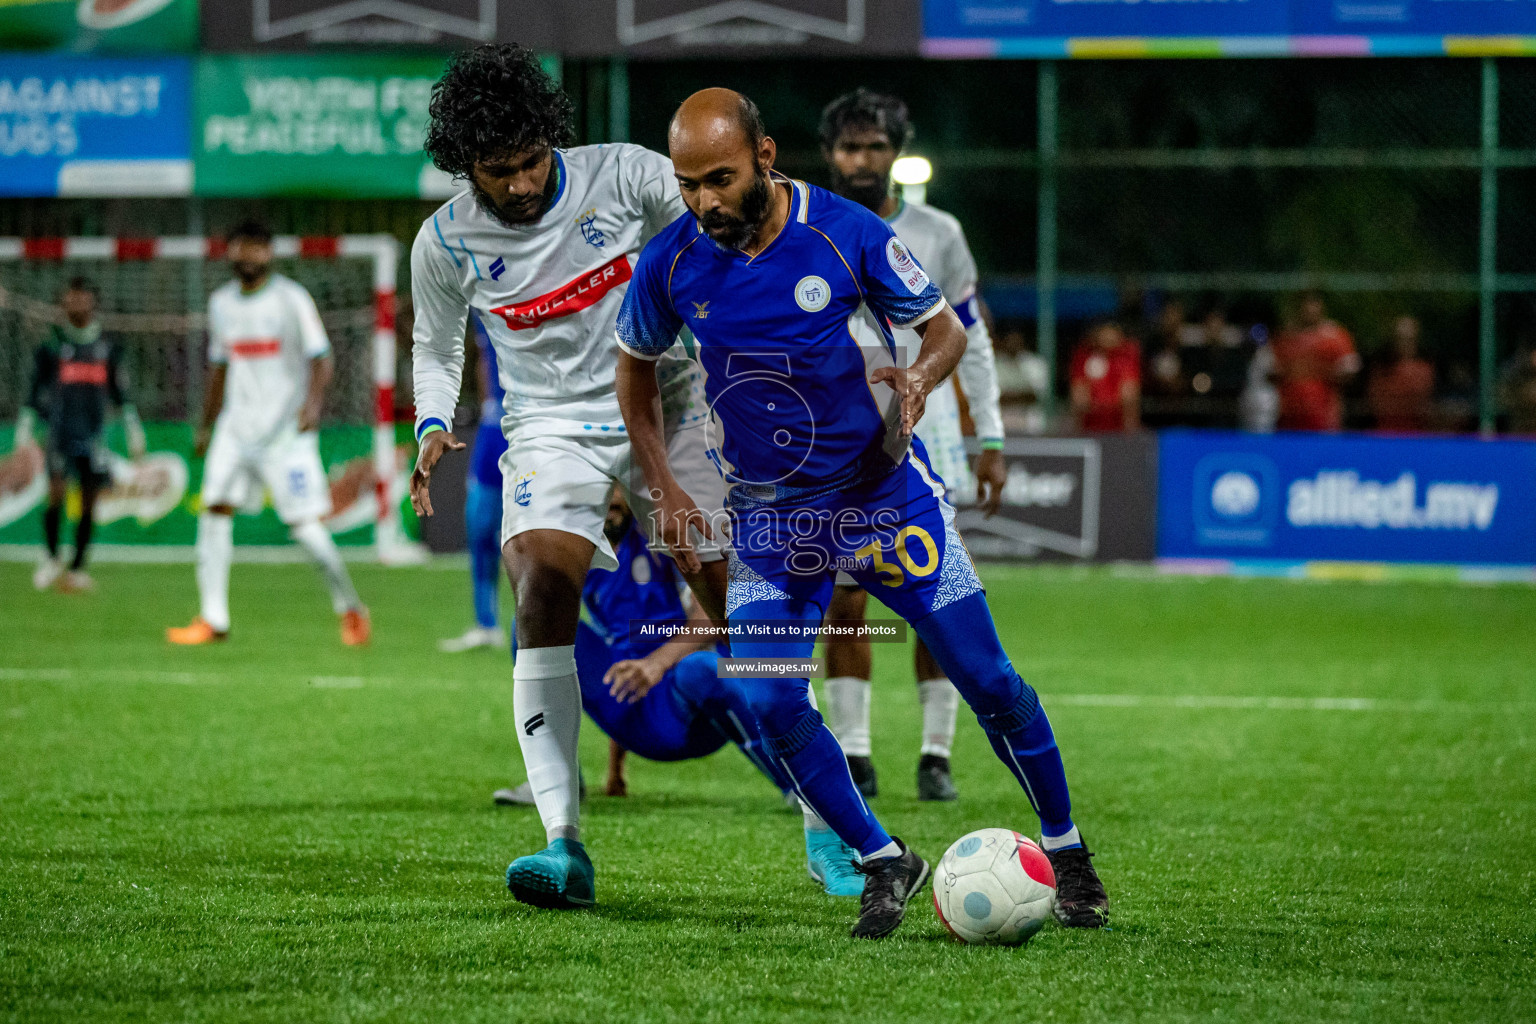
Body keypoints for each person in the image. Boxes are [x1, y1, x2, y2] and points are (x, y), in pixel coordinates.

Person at [616, 88, 1109, 939]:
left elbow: (946, 330)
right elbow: (633, 370)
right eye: (689, 184)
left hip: (882, 497)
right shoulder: (668, 263)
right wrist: (664, 486)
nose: (704, 202)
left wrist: (918, 382)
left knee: (988, 678)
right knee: (770, 701)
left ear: (765, 158)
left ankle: (1067, 854)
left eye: (721, 180)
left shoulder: (846, 232)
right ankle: (885, 860)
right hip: (770, 522)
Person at [405, 44, 728, 911]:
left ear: (553, 138)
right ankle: (563, 844)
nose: (515, 186)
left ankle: (825, 822)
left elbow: (720, 243)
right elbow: (435, 347)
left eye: (527, 163)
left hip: (671, 399)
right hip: (550, 428)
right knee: (543, 583)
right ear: (461, 165)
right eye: (492, 172)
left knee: (740, 604)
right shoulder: (442, 242)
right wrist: (432, 421)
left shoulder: (625, 177)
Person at [497, 491, 865, 897]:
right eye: (604, 491)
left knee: (701, 668)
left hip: (691, 702)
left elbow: (712, 614)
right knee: (532, 619)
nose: (613, 499)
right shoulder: (585, 552)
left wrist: (655, 664)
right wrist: (615, 769)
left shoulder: (662, 537)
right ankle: (563, 779)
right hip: (643, 715)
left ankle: (806, 795)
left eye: (619, 488)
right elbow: (620, 665)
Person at [814, 88, 1008, 804]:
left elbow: (973, 339)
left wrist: (991, 434)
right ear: (830, 153)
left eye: (875, 146)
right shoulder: (808, 226)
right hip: (837, 440)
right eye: (849, 146)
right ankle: (856, 756)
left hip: (931, 438)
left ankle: (935, 755)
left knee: (935, 599)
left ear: (897, 152)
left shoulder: (939, 232)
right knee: (845, 600)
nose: (862, 160)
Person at [166, 221, 370, 647]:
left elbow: (322, 358)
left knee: (304, 528)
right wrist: (205, 425)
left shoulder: (290, 299)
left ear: (269, 254)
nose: (247, 257)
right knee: (214, 512)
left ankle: (349, 606)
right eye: (239, 249)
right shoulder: (221, 303)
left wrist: (312, 406)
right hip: (235, 430)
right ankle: (213, 618)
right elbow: (219, 367)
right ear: (230, 253)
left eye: (255, 250)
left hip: (285, 435)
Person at [25, 277, 145, 592]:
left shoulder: (107, 346)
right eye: (71, 298)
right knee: (56, 494)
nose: (77, 303)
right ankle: (51, 556)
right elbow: (34, 391)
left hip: (94, 435)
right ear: (63, 302)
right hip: (59, 433)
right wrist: (26, 429)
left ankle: (78, 567)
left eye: (83, 297)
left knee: (90, 501)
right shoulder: (51, 344)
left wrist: (134, 429)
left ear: (93, 301)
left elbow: (121, 393)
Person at [439, 313, 509, 653]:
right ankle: (486, 624)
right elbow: (484, 355)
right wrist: (487, 408)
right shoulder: (483, 302)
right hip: (496, 425)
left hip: (541, 419)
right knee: (480, 523)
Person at [1274, 291, 1359, 432]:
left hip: (1325, 415)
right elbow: (1272, 371)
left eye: (1313, 303)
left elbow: (1351, 372)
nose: (1309, 308)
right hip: (1289, 415)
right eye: (1305, 303)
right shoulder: (1285, 336)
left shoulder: (1336, 335)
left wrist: (1317, 370)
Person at [1366, 315, 1435, 432]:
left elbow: (1422, 404)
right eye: (1400, 338)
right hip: (1384, 434)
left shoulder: (1425, 369)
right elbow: (1376, 403)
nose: (1404, 343)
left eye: (1409, 339)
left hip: (1416, 435)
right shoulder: (1382, 369)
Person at [1069, 320, 1141, 432]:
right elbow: (1078, 394)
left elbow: (1130, 394)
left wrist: (1130, 428)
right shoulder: (1083, 356)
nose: (1108, 338)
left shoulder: (1127, 356)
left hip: (1118, 424)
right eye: (1104, 334)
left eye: (1111, 334)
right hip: (1090, 424)